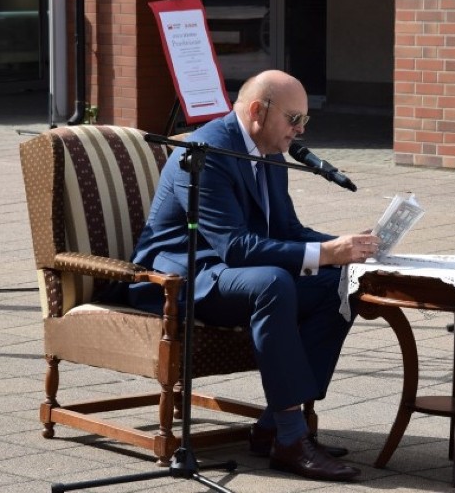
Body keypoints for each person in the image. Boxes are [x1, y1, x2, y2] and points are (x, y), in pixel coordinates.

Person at [127, 70, 380, 482]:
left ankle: (272, 428)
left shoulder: (271, 153)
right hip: (183, 278)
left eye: (305, 123)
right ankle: (292, 438)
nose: (299, 131)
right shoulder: (208, 151)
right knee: (273, 283)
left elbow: (288, 231)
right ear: (258, 111)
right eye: (294, 119)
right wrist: (327, 252)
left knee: (341, 284)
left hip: (231, 272)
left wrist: (348, 249)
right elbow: (235, 247)